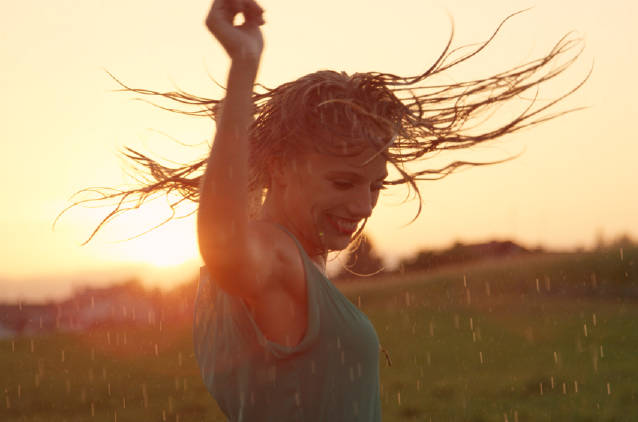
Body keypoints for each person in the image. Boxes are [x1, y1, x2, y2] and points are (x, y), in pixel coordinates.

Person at [57, 0, 585, 419]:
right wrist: (243, 68)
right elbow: (223, 241)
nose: (361, 206)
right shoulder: (272, 257)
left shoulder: (285, 262)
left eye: (376, 187)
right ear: (283, 167)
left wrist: (231, 129)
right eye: (342, 181)